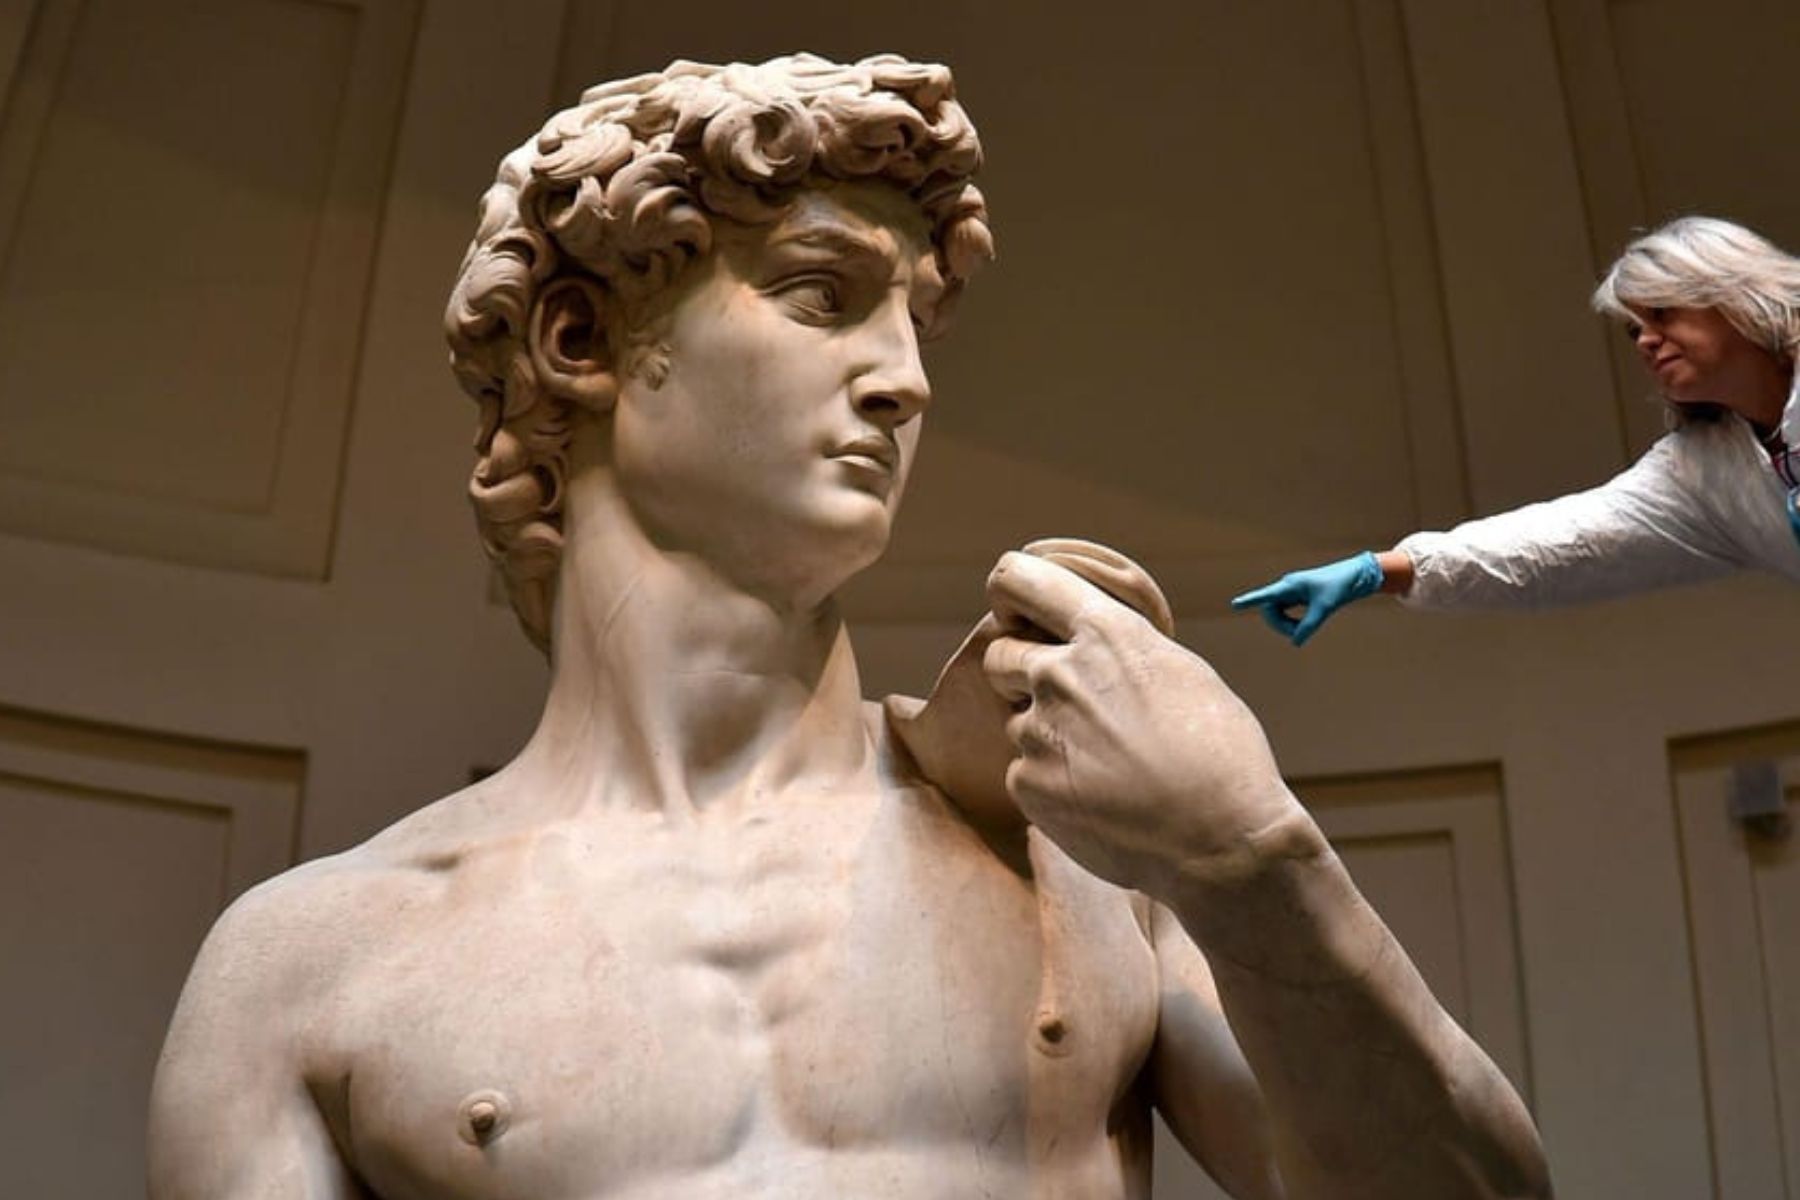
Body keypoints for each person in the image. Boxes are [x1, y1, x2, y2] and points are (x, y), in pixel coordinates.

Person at [147, 54, 1549, 1199]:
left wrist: (1256, 869)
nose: (904, 383)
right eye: (823, 296)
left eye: (919, 326)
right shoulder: (316, 968)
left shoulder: (1087, 864)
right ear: (583, 343)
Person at [1233, 215, 1800, 645]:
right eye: (1633, 331)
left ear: (1735, 294)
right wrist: (1376, 571)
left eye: (1663, 313)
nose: (1645, 341)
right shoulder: (1705, 476)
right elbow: (1559, 546)